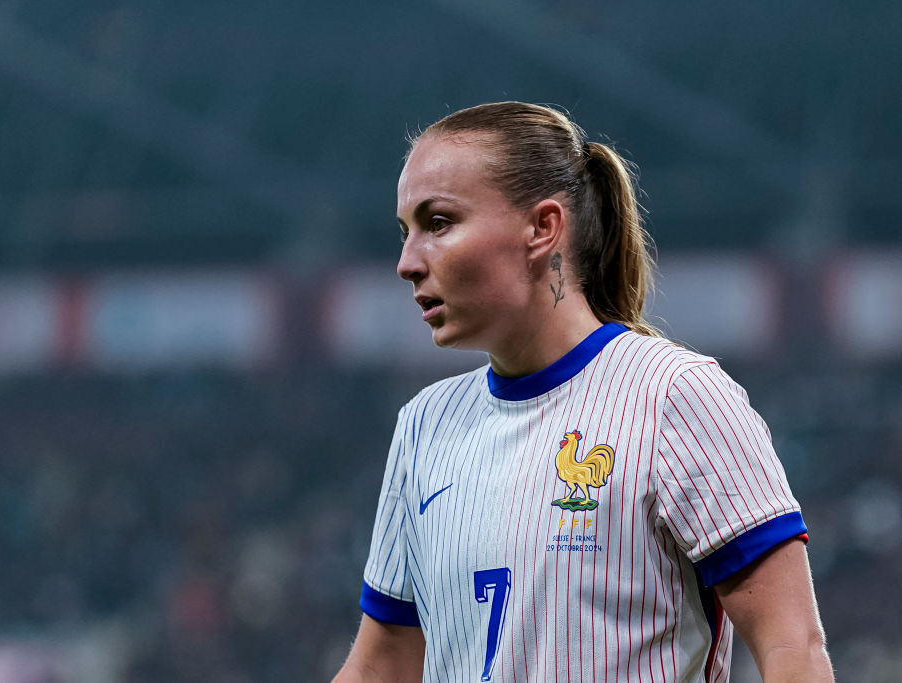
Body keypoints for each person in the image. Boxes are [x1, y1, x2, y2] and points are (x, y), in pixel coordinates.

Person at [334, 102, 834, 682]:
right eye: (405, 232)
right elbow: (382, 663)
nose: (407, 263)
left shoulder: (677, 396)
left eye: (438, 223)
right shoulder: (425, 423)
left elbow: (792, 646)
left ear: (542, 228)